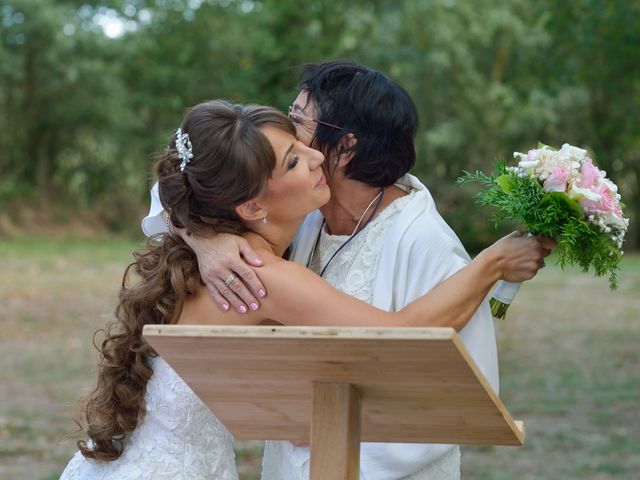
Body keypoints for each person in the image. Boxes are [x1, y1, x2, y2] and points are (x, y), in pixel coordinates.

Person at [62, 100, 552, 479]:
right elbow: (400, 335)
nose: (318, 156)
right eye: (294, 162)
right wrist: (493, 262)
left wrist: (201, 237)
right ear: (253, 206)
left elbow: (173, 193)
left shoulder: (218, 234)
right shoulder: (264, 274)